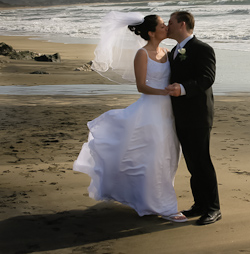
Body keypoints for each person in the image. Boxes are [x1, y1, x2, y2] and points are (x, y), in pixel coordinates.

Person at [73, 12, 188, 222]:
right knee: (156, 158)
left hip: (168, 112)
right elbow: (141, 86)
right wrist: (164, 92)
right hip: (151, 111)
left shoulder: (167, 52)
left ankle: (151, 200)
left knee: (169, 156)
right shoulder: (142, 54)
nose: (166, 27)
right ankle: (165, 207)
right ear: (152, 32)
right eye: (162, 25)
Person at [166, 11, 221, 225]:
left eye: (170, 22)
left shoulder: (202, 49)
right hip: (181, 115)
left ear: (181, 24)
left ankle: (213, 208)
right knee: (191, 162)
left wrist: (182, 88)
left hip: (198, 114)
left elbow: (207, 78)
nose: (167, 26)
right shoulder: (174, 51)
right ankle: (199, 204)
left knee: (202, 161)